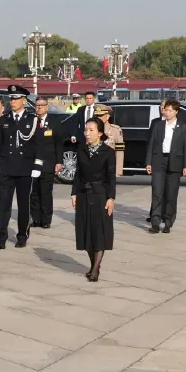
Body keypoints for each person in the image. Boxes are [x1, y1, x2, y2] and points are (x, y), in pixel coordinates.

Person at [0, 85, 41, 249]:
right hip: (6, 168)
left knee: (23, 205)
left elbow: (39, 144)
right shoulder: (3, 120)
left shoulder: (32, 119)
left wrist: (37, 165)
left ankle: (22, 234)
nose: (12, 101)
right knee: (3, 203)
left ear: (24, 101)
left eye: (15, 98)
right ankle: (1, 236)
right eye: (10, 98)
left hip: (25, 168)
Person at [73, 117, 116, 281]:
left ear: (99, 133)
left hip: (100, 195)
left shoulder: (108, 152)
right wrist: (74, 193)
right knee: (86, 232)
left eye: (91, 130)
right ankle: (93, 265)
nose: (87, 133)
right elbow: (78, 174)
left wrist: (111, 198)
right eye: (86, 130)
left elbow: (111, 177)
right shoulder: (81, 149)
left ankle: (96, 268)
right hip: (84, 194)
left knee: (99, 232)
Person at [146, 98, 186, 234]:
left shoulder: (182, 127)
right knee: (157, 192)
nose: (167, 112)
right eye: (166, 110)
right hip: (158, 160)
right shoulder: (158, 125)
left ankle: (168, 222)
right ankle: (155, 222)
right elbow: (151, 144)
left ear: (176, 112)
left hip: (175, 163)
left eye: (170, 110)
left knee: (171, 194)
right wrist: (148, 162)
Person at [29, 97, 60, 230]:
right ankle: (35, 219)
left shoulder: (54, 121)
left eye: (42, 105)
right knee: (34, 192)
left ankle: (46, 219)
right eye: (37, 106)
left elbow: (59, 143)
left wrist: (59, 162)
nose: (39, 108)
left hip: (48, 162)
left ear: (47, 107)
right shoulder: (32, 121)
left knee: (46, 193)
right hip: (33, 163)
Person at [97, 104, 125, 177]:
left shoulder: (115, 130)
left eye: (101, 115)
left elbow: (119, 151)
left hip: (109, 167)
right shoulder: (91, 130)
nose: (98, 118)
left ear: (107, 116)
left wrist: (118, 170)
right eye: (97, 116)